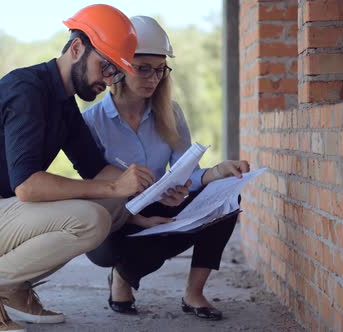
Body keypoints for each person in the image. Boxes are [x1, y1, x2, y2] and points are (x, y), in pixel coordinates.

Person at [0, 5, 161, 332]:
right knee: (90, 219)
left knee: (113, 205)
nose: (109, 80)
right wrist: (114, 188)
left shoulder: (63, 103)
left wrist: (151, 196)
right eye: (105, 67)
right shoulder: (26, 90)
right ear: (76, 49)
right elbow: (28, 186)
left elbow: (96, 170)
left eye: (116, 72)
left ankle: (13, 286)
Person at [82, 16, 250, 321]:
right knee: (133, 256)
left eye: (160, 69)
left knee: (226, 200)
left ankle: (194, 293)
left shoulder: (170, 113)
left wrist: (218, 172)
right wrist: (141, 219)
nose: (153, 77)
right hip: (117, 217)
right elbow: (95, 190)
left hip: (162, 205)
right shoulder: (92, 121)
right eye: (143, 68)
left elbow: (189, 172)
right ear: (119, 66)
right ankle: (122, 277)